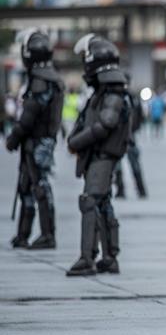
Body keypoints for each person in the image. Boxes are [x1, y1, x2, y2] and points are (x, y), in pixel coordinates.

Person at [66, 34, 132, 276]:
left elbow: (105, 124)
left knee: (90, 201)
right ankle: (109, 257)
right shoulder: (104, 92)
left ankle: (88, 257)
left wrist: (76, 141)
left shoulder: (113, 94)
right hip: (97, 154)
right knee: (102, 203)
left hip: (103, 155)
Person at [6, 28, 64, 249]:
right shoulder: (49, 79)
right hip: (38, 141)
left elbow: (29, 114)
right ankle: (23, 234)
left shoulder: (41, 81)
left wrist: (15, 136)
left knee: (38, 187)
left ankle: (47, 235)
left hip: (37, 142)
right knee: (27, 186)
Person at [114, 90, 147, 199]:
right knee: (132, 164)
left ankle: (121, 190)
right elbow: (141, 117)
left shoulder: (116, 98)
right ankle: (140, 190)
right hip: (129, 136)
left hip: (121, 137)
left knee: (121, 164)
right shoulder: (133, 99)